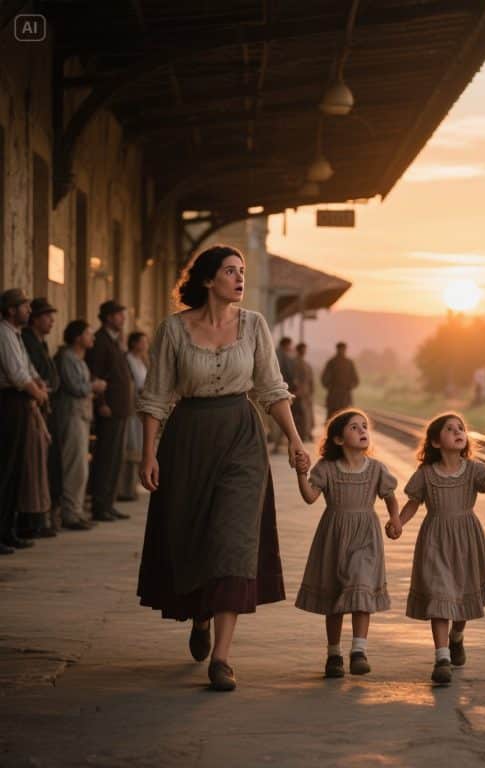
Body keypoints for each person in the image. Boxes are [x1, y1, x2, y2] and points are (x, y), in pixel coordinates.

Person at [136, 244, 309, 692]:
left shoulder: (254, 325)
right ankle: (201, 616)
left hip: (241, 437)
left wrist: (295, 440)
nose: (239, 278)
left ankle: (222, 657)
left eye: (242, 270)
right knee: (194, 538)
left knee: (233, 541)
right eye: (230, 271)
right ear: (208, 279)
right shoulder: (173, 330)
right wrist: (148, 453)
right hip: (188, 439)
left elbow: (272, 388)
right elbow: (156, 394)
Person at [392, 413, 485, 686]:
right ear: (435, 442)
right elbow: (413, 502)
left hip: (467, 540)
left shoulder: (474, 469)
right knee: (440, 594)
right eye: (450, 429)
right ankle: (442, 658)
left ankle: (457, 636)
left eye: (461, 428)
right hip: (435, 540)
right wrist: (398, 522)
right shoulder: (426, 474)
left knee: (463, 596)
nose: (458, 432)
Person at [294, 409, 399, 678]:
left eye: (364, 426)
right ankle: (333, 654)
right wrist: (301, 474)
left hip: (366, 535)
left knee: (361, 584)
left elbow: (390, 496)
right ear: (338, 439)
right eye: (354, 427)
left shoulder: (376, 469)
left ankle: (359, 651)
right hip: (334, 536)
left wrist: (395, 519)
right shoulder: (327, 468)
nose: (363, 430)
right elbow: (310, 497)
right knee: (335, 594)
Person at [0, 289, 48, 554]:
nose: (29, 310)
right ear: (10, 310)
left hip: (20, 402)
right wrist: (38, 393)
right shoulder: (3, 333)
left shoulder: (16, 335)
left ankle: (9, 531)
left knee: (17, 469)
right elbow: (16, 374)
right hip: (9, 401)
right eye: (24, 306)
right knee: (6, 469)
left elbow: (28, 368)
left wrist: (38, 383)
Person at [53, 321, 107, 530]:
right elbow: (76, 387)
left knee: (81, 468)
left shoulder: (77, 359)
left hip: (81, 416)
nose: (92, 337)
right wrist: (94, 386)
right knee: (74, 467)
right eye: (88, 333)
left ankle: (75, 511)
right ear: (77, 337)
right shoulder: (67, 358)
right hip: (71, 416)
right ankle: (70, 514)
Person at [86, 300, 133, 522]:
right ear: (108, 317)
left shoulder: (115, 341)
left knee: (115, 459)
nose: (123, 318)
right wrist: (101, 403)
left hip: (120, 408)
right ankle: (100, 505)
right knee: (105, 458)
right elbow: (95, 374)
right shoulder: (100, 341)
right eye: (119, 314)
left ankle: (109, 503)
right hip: (109, 409)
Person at [20, 297, 61, 537]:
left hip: (44, 404)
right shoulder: (27, 340)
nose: (52, 321)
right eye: (47, 316)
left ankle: (39, 518)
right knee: (32, 467)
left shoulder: (41, 343)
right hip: (32, 407)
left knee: (45, 466)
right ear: (34, 318)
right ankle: (29, 521)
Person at [117, 331, 149, 501]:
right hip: (130, 408)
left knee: (137, 447)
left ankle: (132, 487)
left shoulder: (142, 360)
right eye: (142, 342)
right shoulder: (127, 359)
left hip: (140, 409)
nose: (145, 345)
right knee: (128, 447)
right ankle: (123, 489)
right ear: (134, 343)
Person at [321, 342, 359, 421]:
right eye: (340, 349)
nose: (342, 351)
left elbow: (355, 380)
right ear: (337, 349)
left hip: (345, 396)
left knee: (344, 418)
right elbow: (324, 378)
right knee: (331, 418)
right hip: (333, 396)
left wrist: (350, 386)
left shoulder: (349, 363)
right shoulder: (331, 362)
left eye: (343, 349)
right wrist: (331, 387)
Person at [271, 337, 296, 454]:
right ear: (286, 345)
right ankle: (278, 445)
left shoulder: (274, 353)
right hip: (281, 390)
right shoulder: (284, 356)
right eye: (289, 345)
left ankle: (278, 444)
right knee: (283, 419)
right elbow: (289, 374)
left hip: (274, 390)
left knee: (277, 420)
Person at [292, 341, 315, 441]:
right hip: (297, 394)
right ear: (298, 350)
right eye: (302, 350)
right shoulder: (294, 363)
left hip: (306, 394)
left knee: (306, 416)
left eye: (304, 350)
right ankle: (300, 436)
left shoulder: (306, 364)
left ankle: (305, 434)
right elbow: (293, 378)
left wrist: (311, 392)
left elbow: (311, 380)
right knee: (299, 416)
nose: (304, 352)